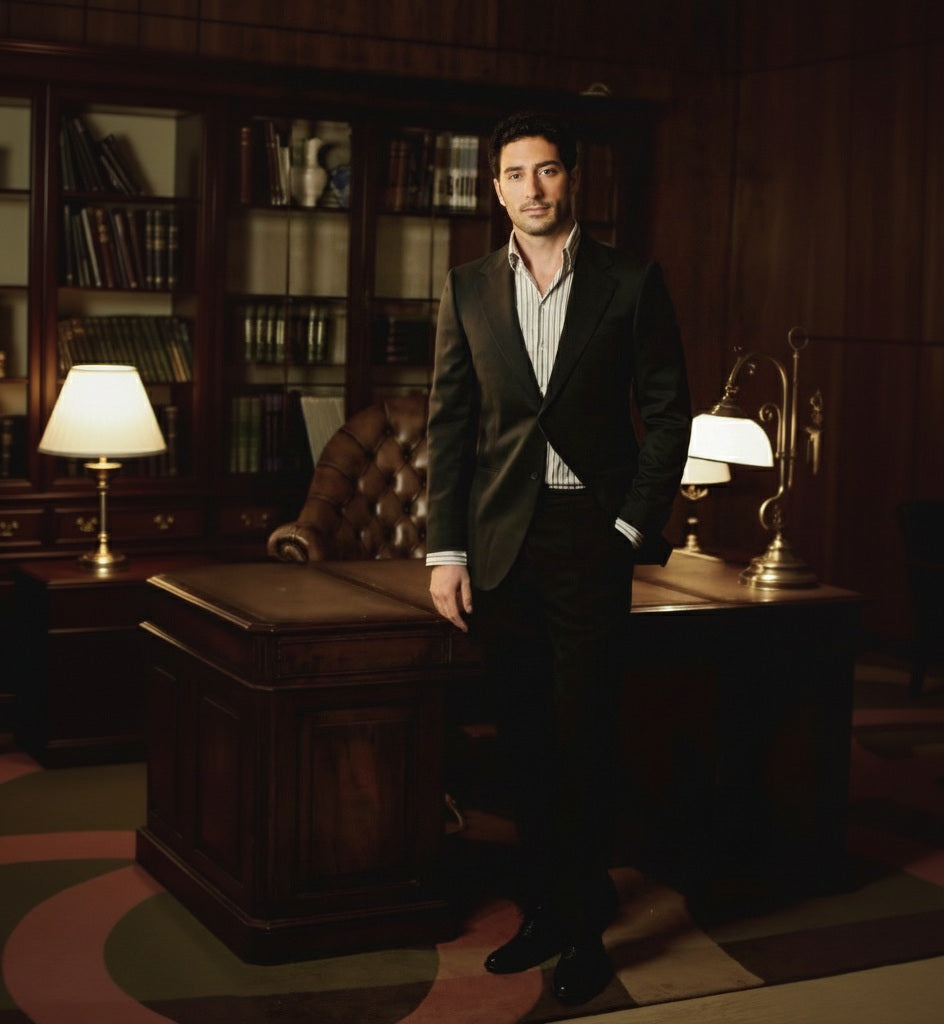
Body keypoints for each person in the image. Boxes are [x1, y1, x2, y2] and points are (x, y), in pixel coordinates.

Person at [425, 111, 691, 1007]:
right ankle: (543, 905)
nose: (532, 189)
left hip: (591, 538)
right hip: (500, 546)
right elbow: (451, 427)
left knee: (585, 740)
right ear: (493, 188)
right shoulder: (465, 287)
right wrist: (445, 551)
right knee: (527, 745)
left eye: (547, 172)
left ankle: (583, 930)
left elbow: (668, 415)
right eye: (514, 174)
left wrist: (628, 530)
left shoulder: (629, 279)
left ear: (571, 180)